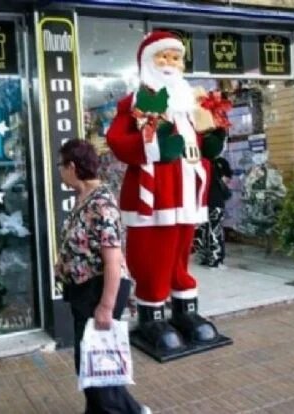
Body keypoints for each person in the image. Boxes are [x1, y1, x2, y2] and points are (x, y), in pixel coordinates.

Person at [106, 31, 227, 355]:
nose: (170, 63)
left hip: (187, 193)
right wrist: (157, 149)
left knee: (180, 252)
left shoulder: (189, 101)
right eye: (164, 56)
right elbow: (117, 141)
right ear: (148, 60)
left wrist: (212, 144)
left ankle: (184, 309)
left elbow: (197, 141)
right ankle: (151, 313)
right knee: (152, 255)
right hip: (155, 194)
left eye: (176, 57)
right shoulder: (136, 102)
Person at [55, 139, 150, 414]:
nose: (61, 172)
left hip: (101, 289)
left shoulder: (102, 203)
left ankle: (131, 411)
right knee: (90, 361)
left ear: (72, 166)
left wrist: (106, 307)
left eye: (62, 166)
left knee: (97, 365)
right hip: (83, 290)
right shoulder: (84, 198)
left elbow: (112, 259)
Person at [194, 156, 232, 268]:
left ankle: (203, 257)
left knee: (202, 231)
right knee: (214, 231)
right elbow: (227, 179)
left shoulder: (197, 161)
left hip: (201, 203)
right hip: (216, 202)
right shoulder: (220, 162)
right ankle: (215, 259)